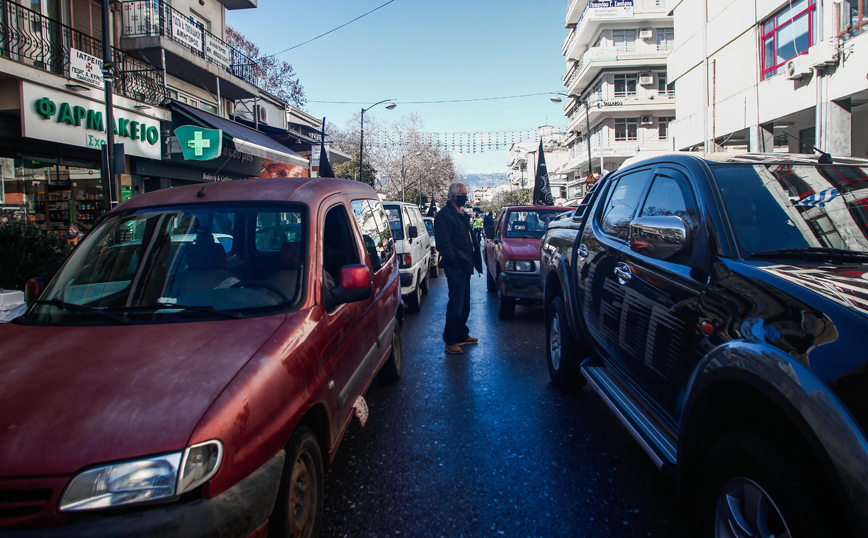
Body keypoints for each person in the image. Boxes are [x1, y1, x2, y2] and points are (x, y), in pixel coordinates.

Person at [434, 181, 483, 355]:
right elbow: (443, 244)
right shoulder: (444, 216)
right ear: (454, 196)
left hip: (465, 264)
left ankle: (462, 333)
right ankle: (450, 340)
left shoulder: (461, 214)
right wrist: (455, 261)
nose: (465, 196)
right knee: (456, 303)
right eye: (463, 193)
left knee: (465, 303)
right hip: (457, 266)